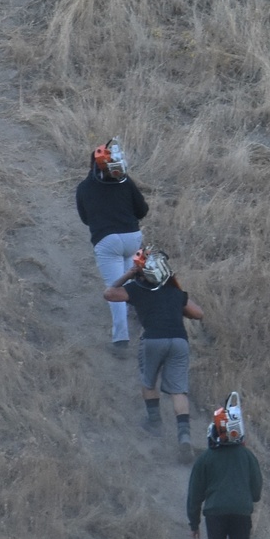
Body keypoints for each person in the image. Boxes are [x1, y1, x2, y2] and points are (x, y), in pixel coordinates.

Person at [104, 246, 203, 462]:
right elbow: (198, 313)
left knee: (149, 382)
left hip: (153, 340)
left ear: (142, 272)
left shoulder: (137, 289)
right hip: (179, 341)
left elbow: (109, 294)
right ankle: (184, 437)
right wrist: (178, 306)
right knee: (178, 391)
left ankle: (154, 421)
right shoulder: (175, 292)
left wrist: (129, 274)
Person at [187, 393, 263, 539]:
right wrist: (248, 499)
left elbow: (194, 495)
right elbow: (256, 490)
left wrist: (194, 524)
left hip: (215, 514)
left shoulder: (205, 460)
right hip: (242, 512)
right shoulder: (248, 457)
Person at [75, 138, 149, 351]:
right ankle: (148, 329)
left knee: (115, 288)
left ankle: (121, 339)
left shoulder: (83, 188)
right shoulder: (126, 182)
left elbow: (85, 219)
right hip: (132, 236)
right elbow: (142, 210)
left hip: (107, 241)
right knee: (131, 285)